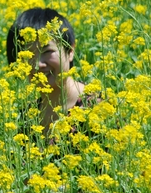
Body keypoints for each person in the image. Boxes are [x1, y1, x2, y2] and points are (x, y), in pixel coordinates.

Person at [6, 7, 94, 137]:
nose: (37, 65)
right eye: (28, 55)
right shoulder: (27, 117)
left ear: (70, 51)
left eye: (47, 51)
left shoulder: (96, 109)